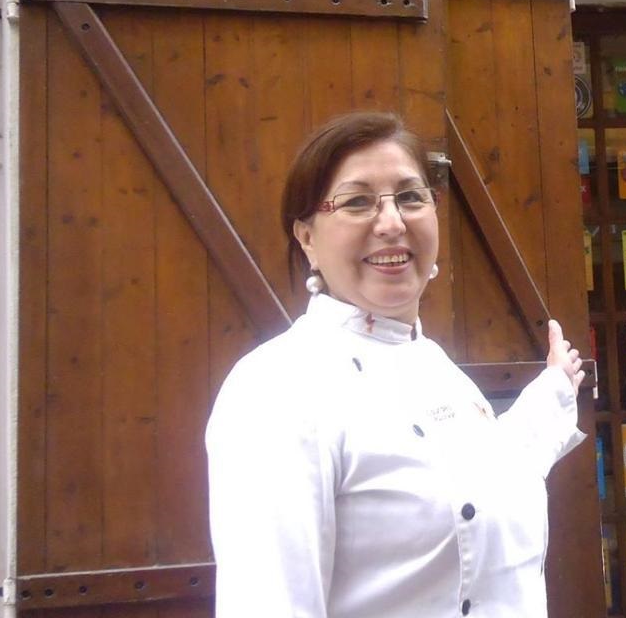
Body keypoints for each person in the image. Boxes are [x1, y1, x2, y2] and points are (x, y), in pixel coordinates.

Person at [206, 111, 587, 618]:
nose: (392, 223)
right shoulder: (276, 390)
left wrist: (555, 391)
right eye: (357, 202)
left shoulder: (438, 370)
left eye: (410, 197)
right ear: (307, 238)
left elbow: (485, 477)